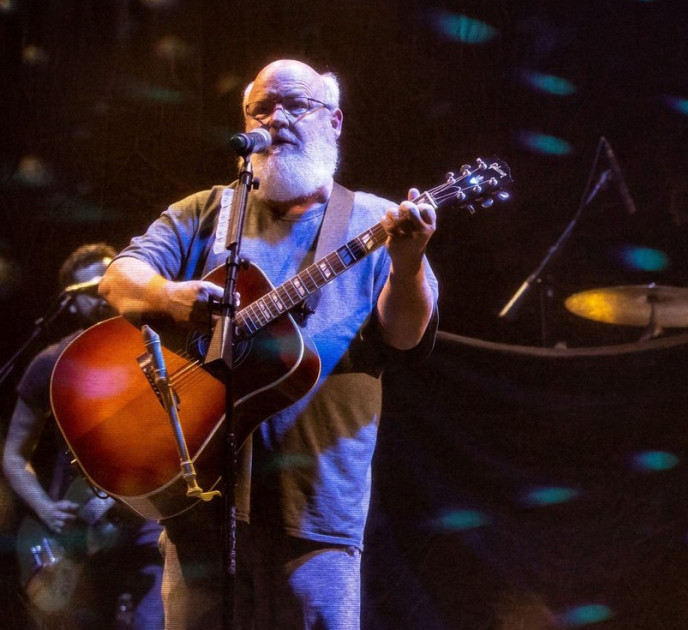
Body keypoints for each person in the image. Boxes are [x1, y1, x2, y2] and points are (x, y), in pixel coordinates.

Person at [97, 59, 439, 629]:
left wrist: (408, 265)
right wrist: (170, 295)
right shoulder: (206, 211)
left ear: (334, 121)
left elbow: (404, 339)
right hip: (198, 508)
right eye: (261, 109)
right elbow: (117, 279)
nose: (276, 118)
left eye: (295, 105)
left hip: (316, 510)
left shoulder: (378, 220)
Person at [3, 243, 165, 630]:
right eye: (89, 290)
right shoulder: (51, 362)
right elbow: (13, 454)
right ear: (71, 303)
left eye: (107, 283)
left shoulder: (156, 349)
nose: (101, 295)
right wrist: (45, 509)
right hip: (80, 532)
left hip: (145, 524)